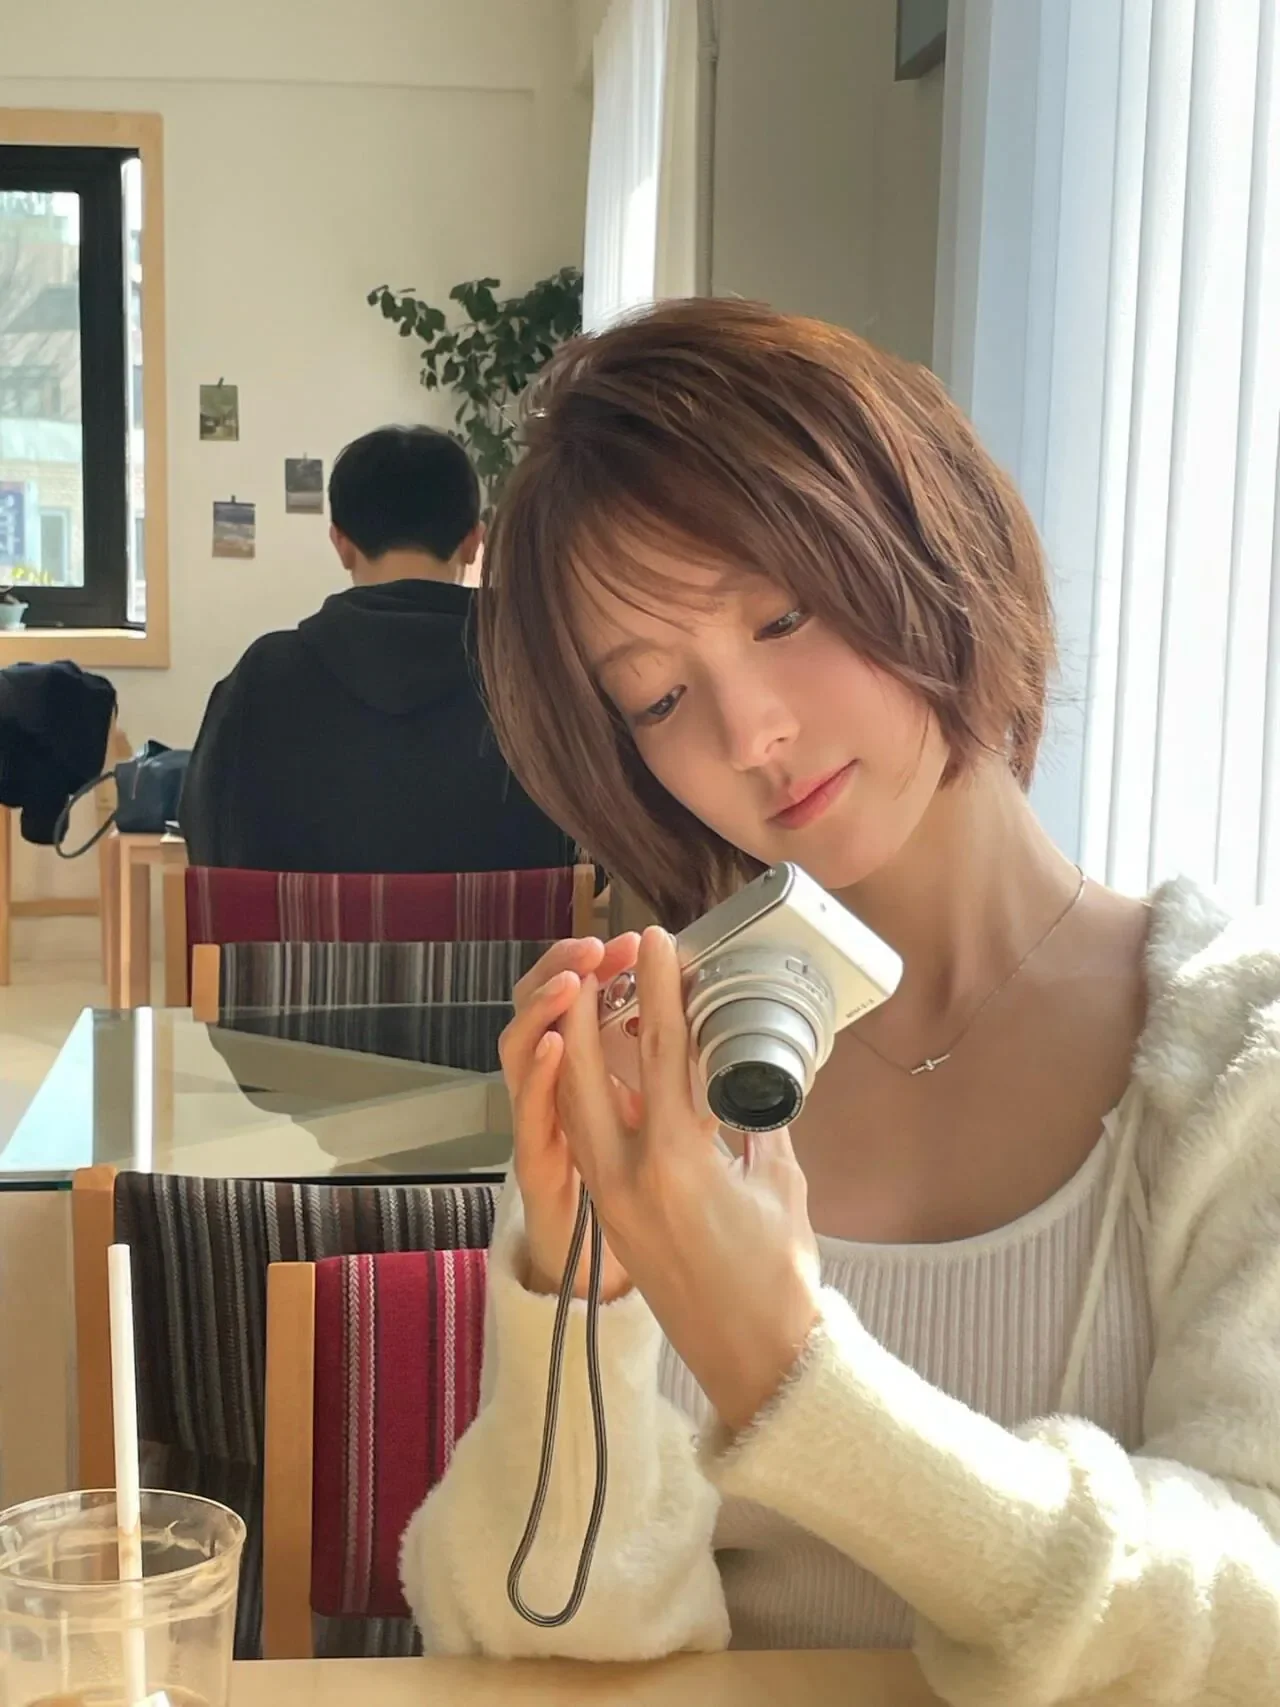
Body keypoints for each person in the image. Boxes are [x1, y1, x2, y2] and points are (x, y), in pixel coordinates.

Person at [396, 300, 1280, 1703]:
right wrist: (580, 1306)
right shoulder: (654, 1069)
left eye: (784, 615)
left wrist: (793, 1372)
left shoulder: (1240, 1051)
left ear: (928, 536)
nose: (751, 731)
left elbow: (1253, 1619)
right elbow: (522, 1636)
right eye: (657, 699)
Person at [180, 425, 574, 874]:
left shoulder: (262, 679)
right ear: (473, 541)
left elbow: (209, 846)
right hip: (515, 927)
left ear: (341, 544)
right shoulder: (535, 675)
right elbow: (590, 855)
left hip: (301, 926)